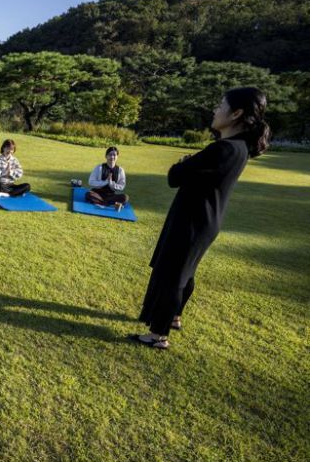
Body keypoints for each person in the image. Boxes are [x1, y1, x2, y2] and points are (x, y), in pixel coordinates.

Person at [134, 87, 271, 349]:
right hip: (205, 218)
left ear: (236, 114)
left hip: (193, 219)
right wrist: (189, 165)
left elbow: (175, 176)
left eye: (221, 105)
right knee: (186, 270)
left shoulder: (223, 149)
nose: (215, 110)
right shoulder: (239, 148)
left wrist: (184, 163)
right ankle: (173, 317)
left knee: (174, 274)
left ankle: (158, 335)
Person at [85, 146, 129, 212]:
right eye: (110, 154)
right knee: (88, 194)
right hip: (97, 194)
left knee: (125, 197)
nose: (112, 157)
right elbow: (91, 182)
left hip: (111, 196)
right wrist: (105, 182)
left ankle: (103, 202)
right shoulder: (99, 167)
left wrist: (111, 183)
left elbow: (122, 186)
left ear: (117, 156)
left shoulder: (120, 170)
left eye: (114, 155)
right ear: (106, 156)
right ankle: (107, 203)